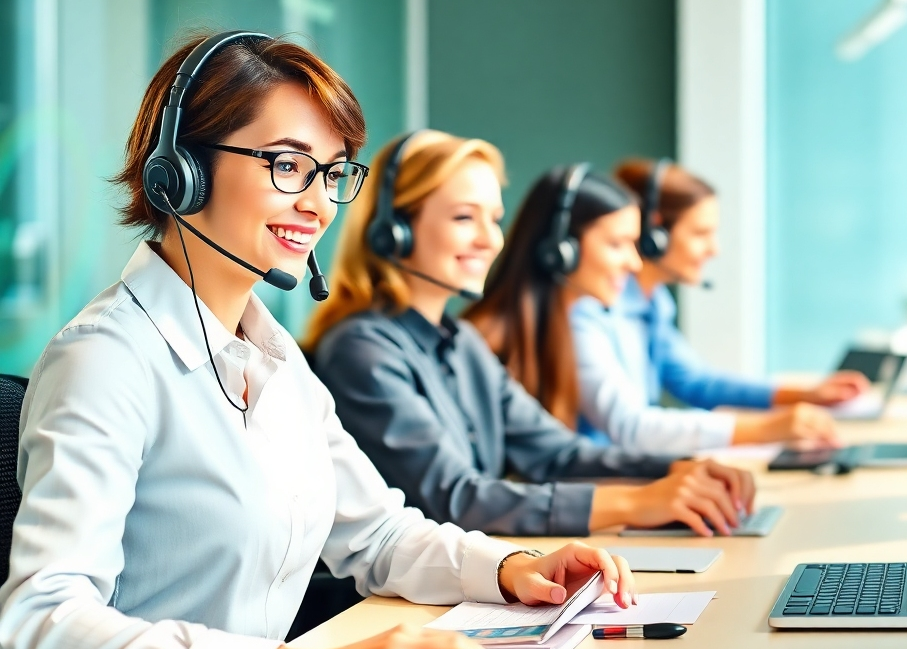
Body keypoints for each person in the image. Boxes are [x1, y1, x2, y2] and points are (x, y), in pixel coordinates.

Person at [0, 33, 637, 649]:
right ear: (180, 172)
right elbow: (41, 632)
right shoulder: (106, 360)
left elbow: (379, 535)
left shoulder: (273, 357)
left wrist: (516, 568)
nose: (319, 204)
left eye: (331, 174)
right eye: (288, 165)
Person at [306, 131, 755, 541]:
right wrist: (639, 502)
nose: (491, 240)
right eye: (465, 218)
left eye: (494, 219)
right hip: (385, 602)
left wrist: (679, 471)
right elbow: (454, 500)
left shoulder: (461, 342)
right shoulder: (361, 351)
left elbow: (557, 454)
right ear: (393, 232)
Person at [466, 164, 847, 458]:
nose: (633, 264)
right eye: (617, 244)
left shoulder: (577, 316)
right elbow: (621, 432)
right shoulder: (568, 321)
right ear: (560, 250)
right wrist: (767, 428)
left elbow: (694, 382)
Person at [575, 157, 869, 452]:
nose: (714, 250)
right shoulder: (591, 309)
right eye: (701, 234)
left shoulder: (653, 302)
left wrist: (806, 395)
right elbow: (631, 426)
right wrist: (769, 427)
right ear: (655, 236)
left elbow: (697, 383)